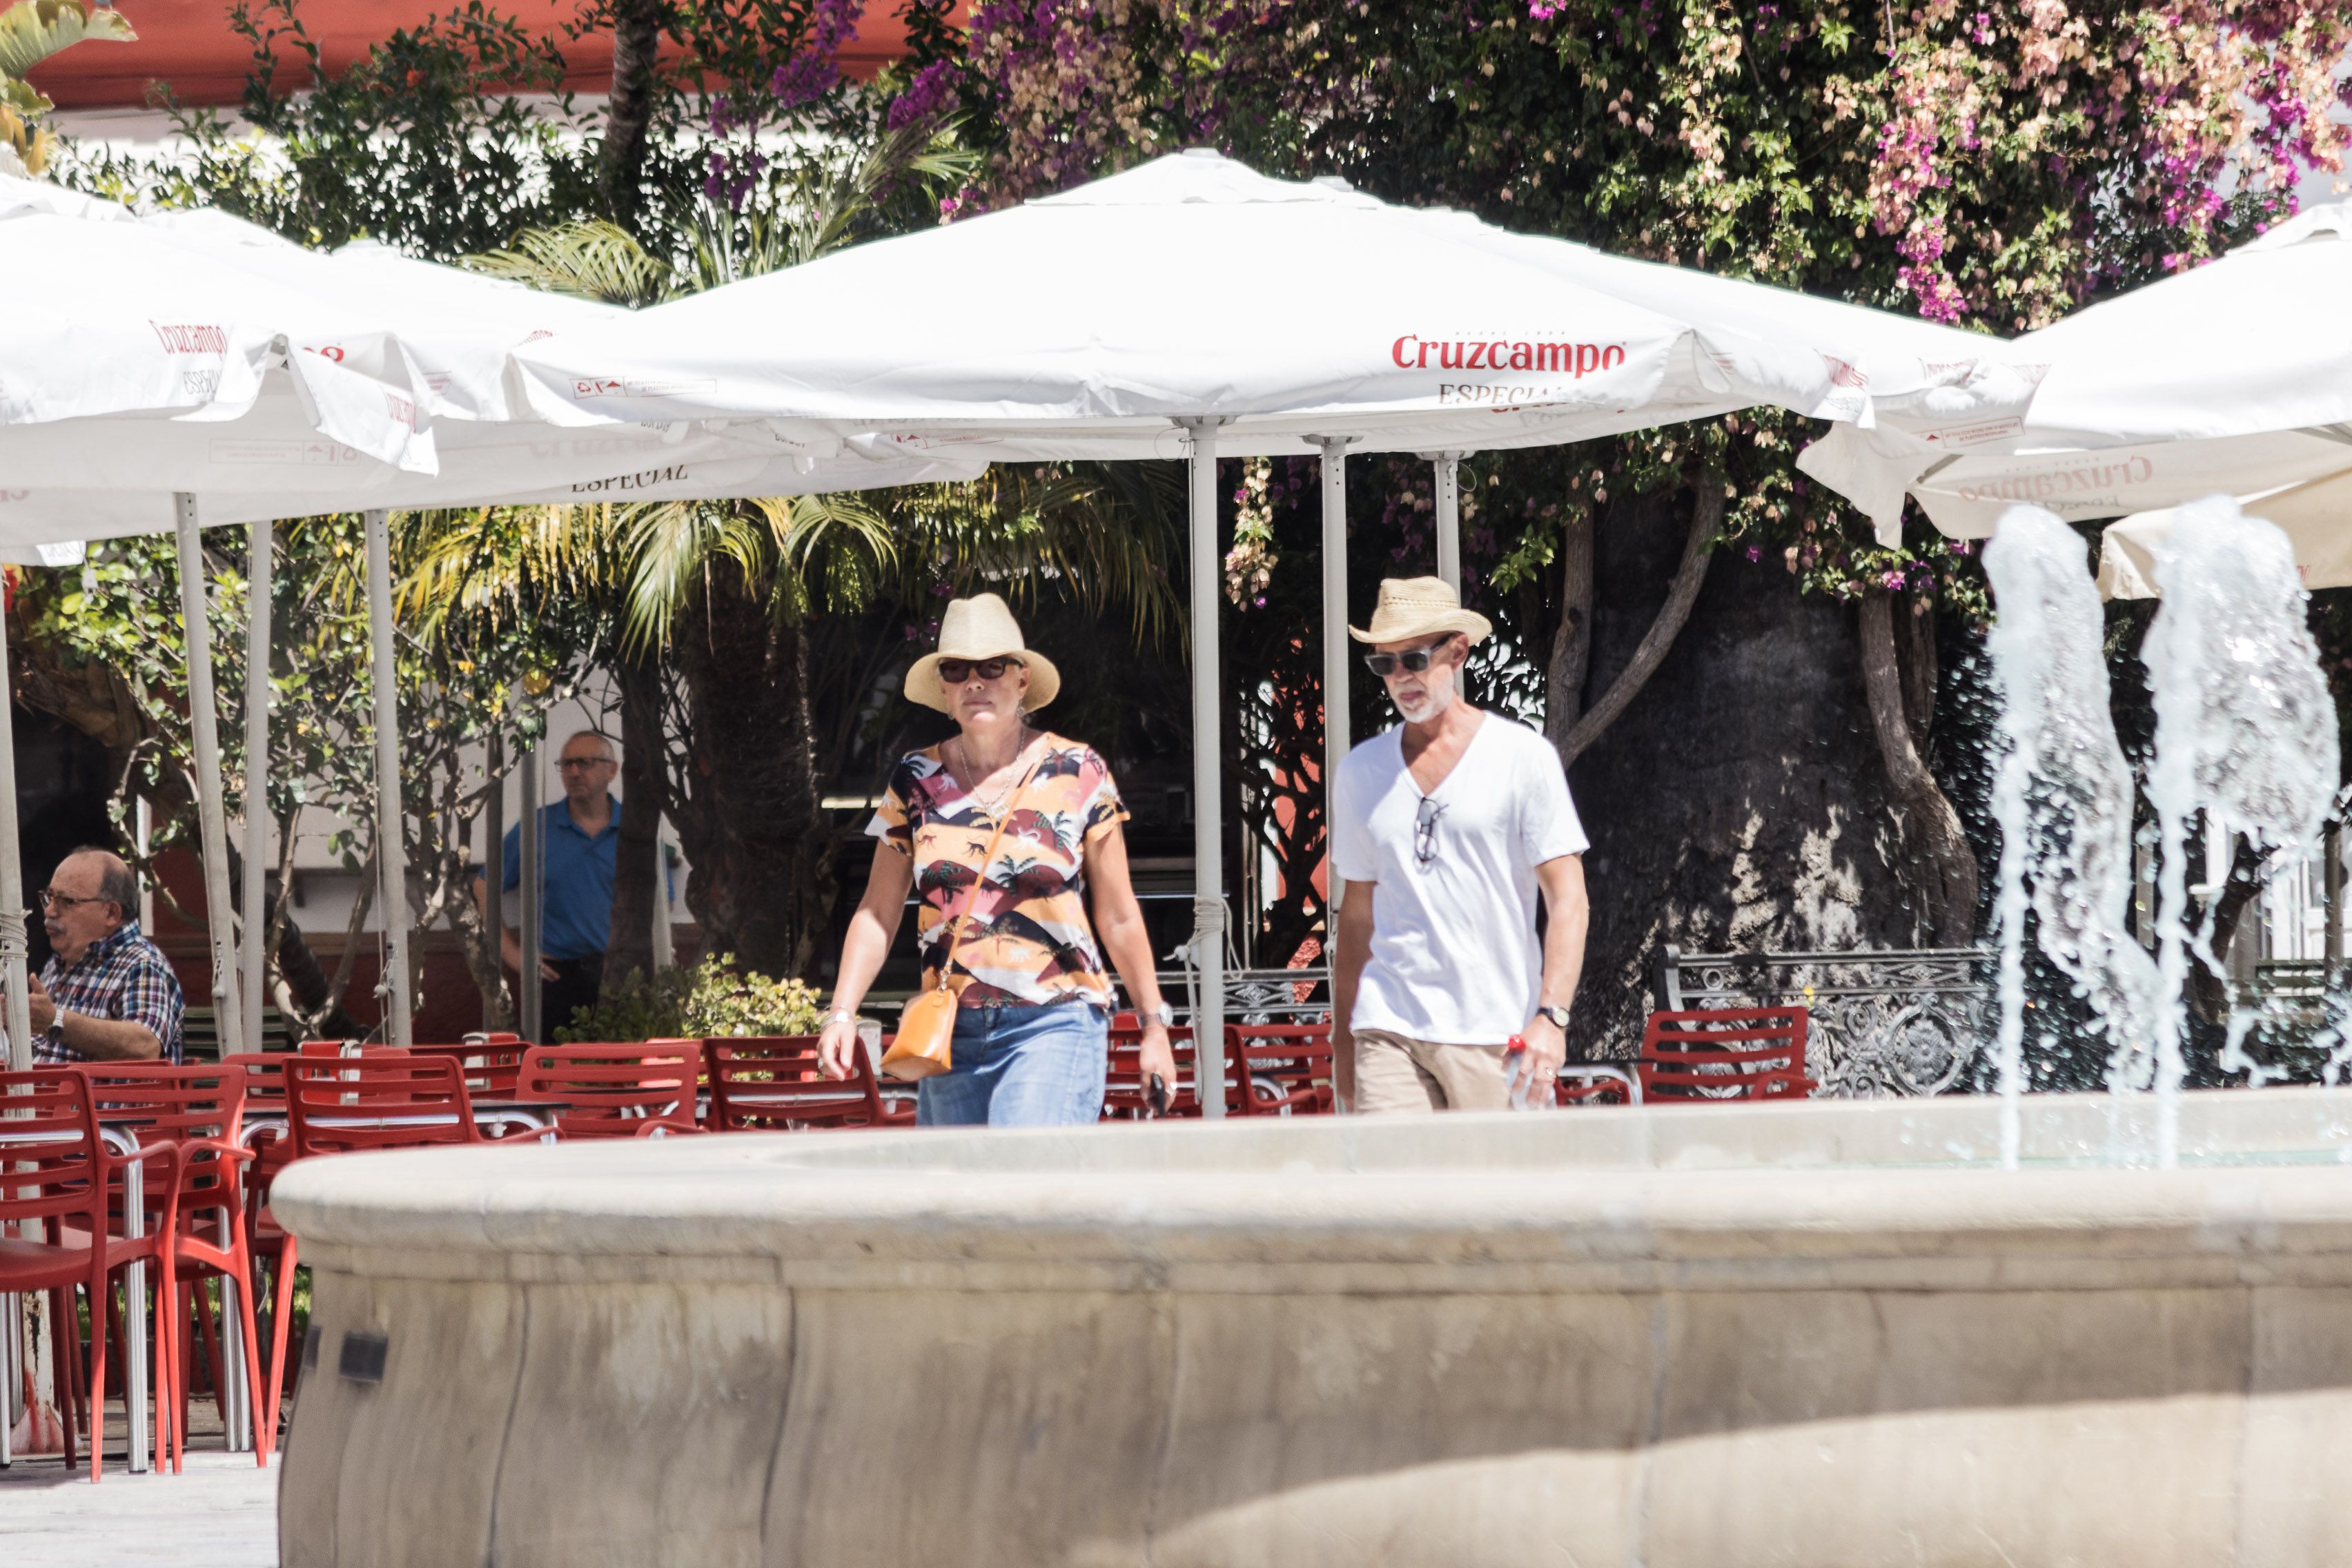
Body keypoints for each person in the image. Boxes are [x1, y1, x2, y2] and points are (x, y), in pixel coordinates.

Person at [818, 593, 1178, 1125]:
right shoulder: (914, 779)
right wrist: (841, 1012)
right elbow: (877, 911)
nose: (974, 682)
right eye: (957, 670)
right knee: (959, 1204)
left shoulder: (1078, 771)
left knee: (1021, 1183)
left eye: (991, 667)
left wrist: (1154, 1027)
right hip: (947, 1033)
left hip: (1055, 1021)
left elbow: (1119, 913)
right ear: (943, 687)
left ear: (1022, 679)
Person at [1331, 576, 1590, 1113]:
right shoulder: (1361, 772)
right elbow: (1357, 916)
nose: (1401, 677)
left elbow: (1568, 899)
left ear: (1458, 651)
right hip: (1389, 1027)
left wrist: (1553, 1018)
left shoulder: (1523, 758)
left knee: (1494, 1198)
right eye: (1385, 664)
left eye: (1415, 658)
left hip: (1497, 1032)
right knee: (1394, 1198)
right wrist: (1343, 1039)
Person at [477, 729, 623, 1037]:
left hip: (620, 976)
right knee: (555, 1078)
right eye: (566, 764)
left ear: (612, 769)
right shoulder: (537, 826)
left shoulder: (633, 830)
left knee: (623, 1078)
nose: (573, 772)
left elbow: (662, 903)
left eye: (585, 763)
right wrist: (511, 953)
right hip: (556, 979)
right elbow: (483, 886)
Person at [27, 845, 185, 1065]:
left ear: (111, 913)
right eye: (49, 898)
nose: (50, 911)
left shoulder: (143, 964)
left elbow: (145, 1046)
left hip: (96, 1100)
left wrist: (56, 1021)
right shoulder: (58, 964)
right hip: (42, 1097)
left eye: (67, 901)